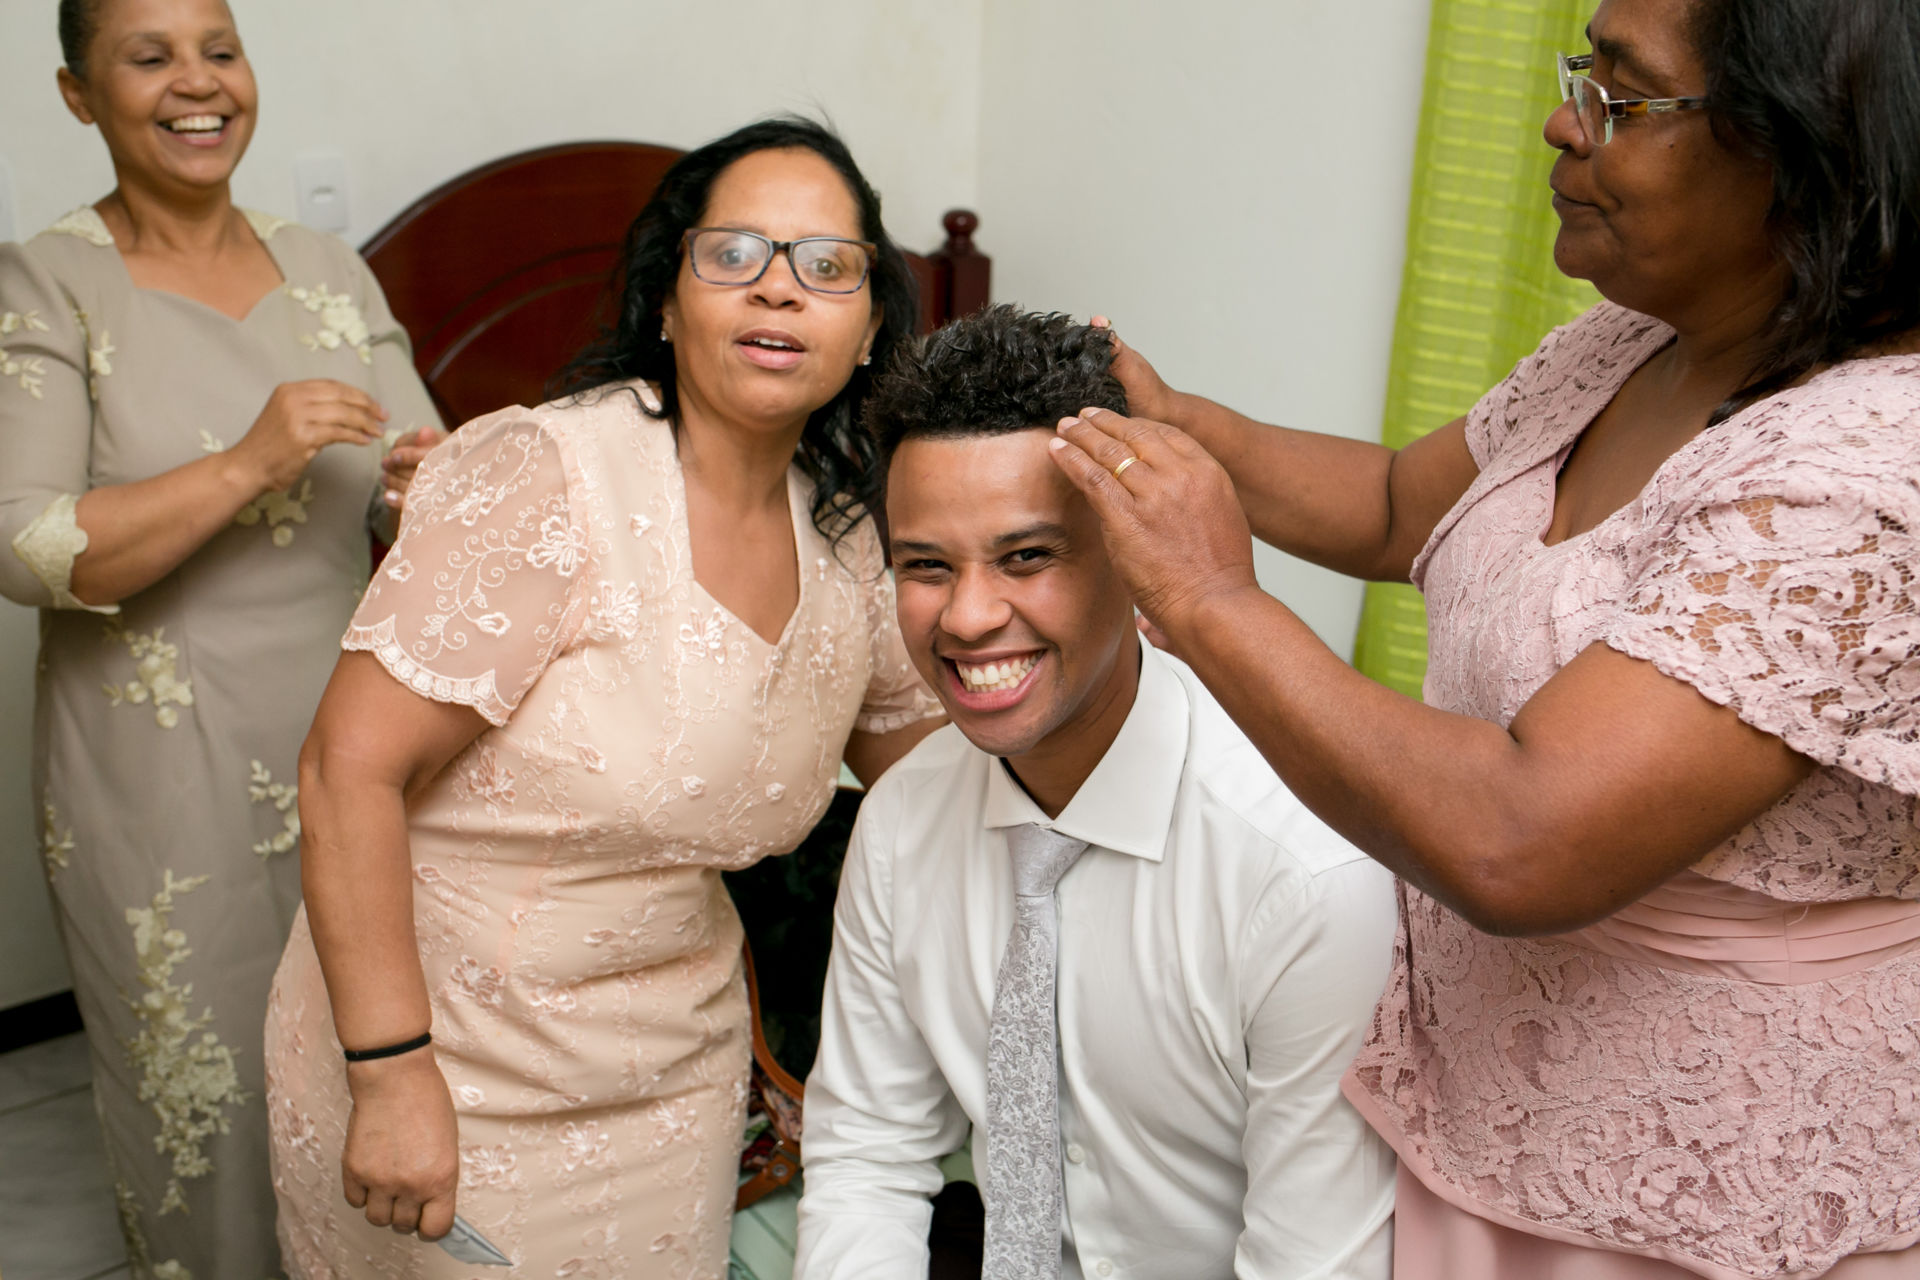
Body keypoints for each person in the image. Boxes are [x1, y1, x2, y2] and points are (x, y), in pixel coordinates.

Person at [1046, 0, 1920, 1275]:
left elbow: (1524, 839)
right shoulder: (1631, 346)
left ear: (1800, 149)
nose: (1565, 124)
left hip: (1705, 1200)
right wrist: (1186, 426)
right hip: (1483, 1118)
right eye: (1584, 75)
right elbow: (1410, 503)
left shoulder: (1866, 479)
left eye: (1622, 98)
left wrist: (1208, 601)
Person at [263, 116, 945, 1277]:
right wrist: (389, 1070)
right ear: (667, 299)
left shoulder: (849, 537)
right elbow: (346, 769)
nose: (780, 291)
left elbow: (925, 772)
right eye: (735, 254)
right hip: (448, 1063)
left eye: (828, 265)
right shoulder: (545, 477)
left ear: (872, 324)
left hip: (674, 1078)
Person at [794, 305, 1398, 1280]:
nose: (969, 615)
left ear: (1134, 556)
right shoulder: (903, 823)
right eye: (926, 566)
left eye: (1027, 556)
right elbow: (868, 1152)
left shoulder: (1307, 876)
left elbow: (1313, 1263)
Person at [0, 1, 442, 1274]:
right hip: (156, 767)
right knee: (204, 1088)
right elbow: (26, 545)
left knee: (363, 1058)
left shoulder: (328, 268)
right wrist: (251, 457)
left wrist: (429, 484)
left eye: (220, 50)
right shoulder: (46, 280)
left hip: (355, 740)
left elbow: (422, 463)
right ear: (80, 96)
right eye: (149, 58)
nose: (197, 84)